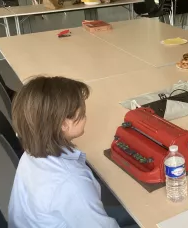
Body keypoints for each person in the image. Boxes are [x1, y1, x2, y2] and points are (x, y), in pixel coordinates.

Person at [8, 76, 139, 228]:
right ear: (64, 124)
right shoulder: (71, 182)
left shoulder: (32, 150)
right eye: (82, 114)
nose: (86, 117)